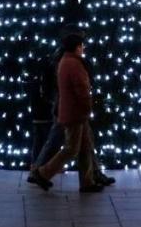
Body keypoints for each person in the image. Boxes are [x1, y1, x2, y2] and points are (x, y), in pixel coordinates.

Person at [29, 33, 102, 192]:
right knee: (71, 148)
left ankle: (87, 181)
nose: (83, 49)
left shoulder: (65, 61)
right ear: (77, 47)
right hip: (75, 112)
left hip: (73, 111)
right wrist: (87, 106)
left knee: (84, 147)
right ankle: (42, 173)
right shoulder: (74, 64)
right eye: (82, 46)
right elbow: (81, 89)